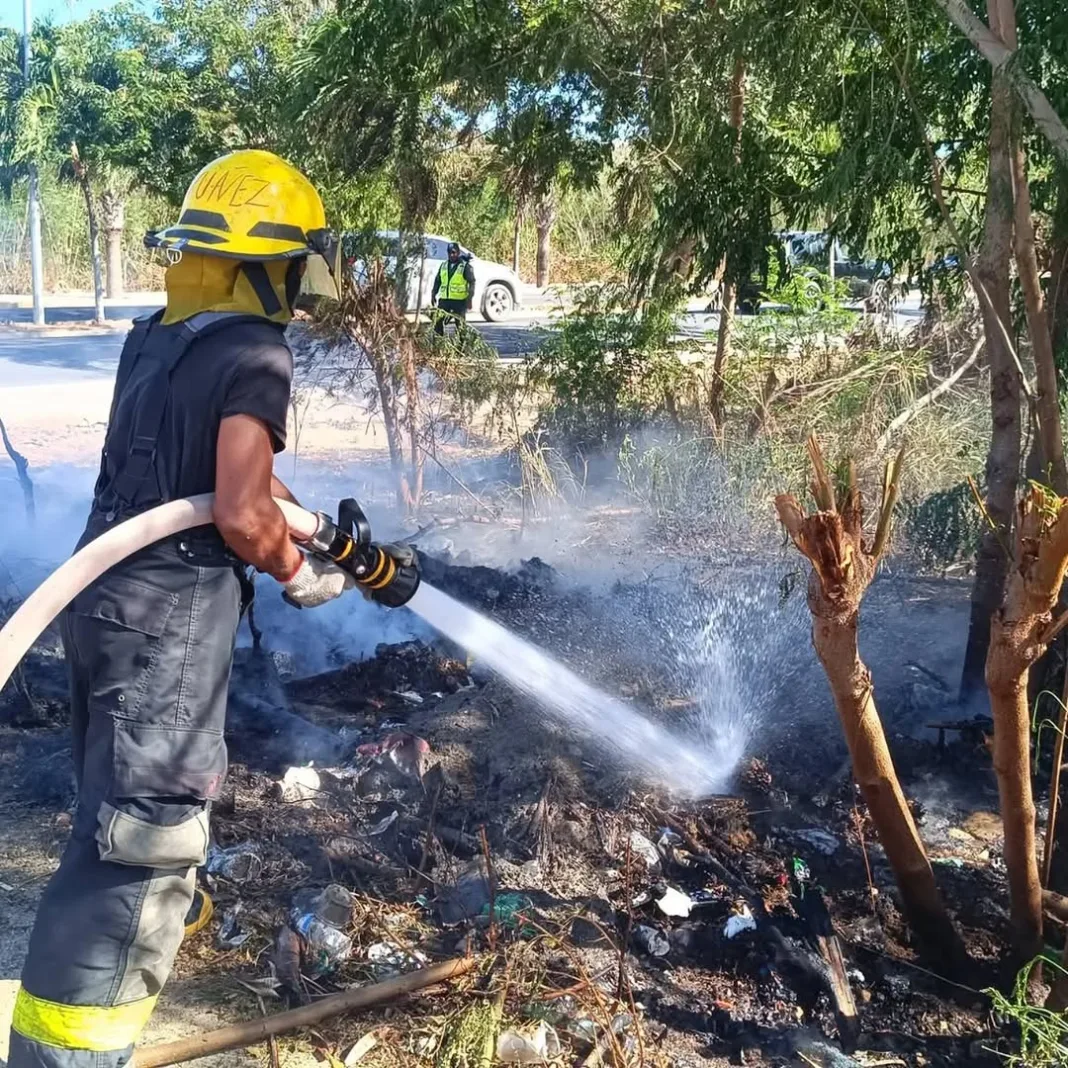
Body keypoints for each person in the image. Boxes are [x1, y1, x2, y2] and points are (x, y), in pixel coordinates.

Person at [7, 149, 393, 1068]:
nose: (299, 288)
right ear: (267, 263)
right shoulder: (258, 351)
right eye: (295, 265)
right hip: (168, 628)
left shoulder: (160, 337)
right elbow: (235, 507)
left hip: (102, 605)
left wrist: (310, 532)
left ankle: (50, 1043)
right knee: (143, 845)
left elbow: (229, 479)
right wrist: (295, 571)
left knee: (106, 825)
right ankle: (76, 1056)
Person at [431, 241, 475, 335]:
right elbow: (437, 280)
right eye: (449, 252)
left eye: (454, 252)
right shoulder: (443, 266)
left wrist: (469, 298)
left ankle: (461, 347)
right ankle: (439, 345)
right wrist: (433, 293)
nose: (451, 255)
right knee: (438, 323)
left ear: (458, 253)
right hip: (444, 300)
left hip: (459, 302)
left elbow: (472, 282)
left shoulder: (465, 266)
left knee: (460, 327)